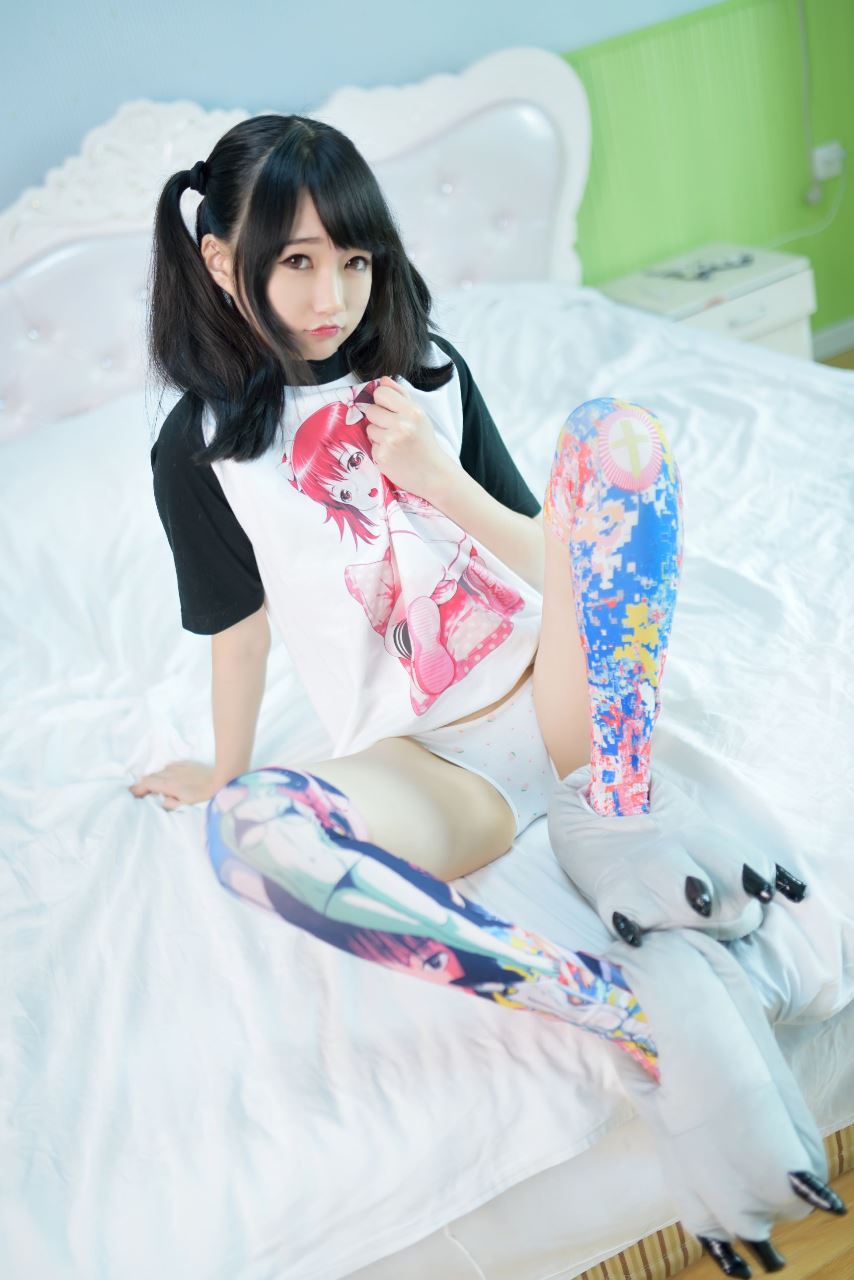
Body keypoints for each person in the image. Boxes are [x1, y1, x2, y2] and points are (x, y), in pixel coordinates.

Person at [130, 114, 842, 1274]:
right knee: (251, 832)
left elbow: (559, 561)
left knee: (618, 438)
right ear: (220, 261)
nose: (331, 295)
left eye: (353, 258)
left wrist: (436, 477)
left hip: (556, 691)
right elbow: (237, 633)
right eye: (295, 261)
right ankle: (615, 1002)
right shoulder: (199, 448)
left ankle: (614, 810)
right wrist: (221, 766)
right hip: (431, 762)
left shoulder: (429, 371)